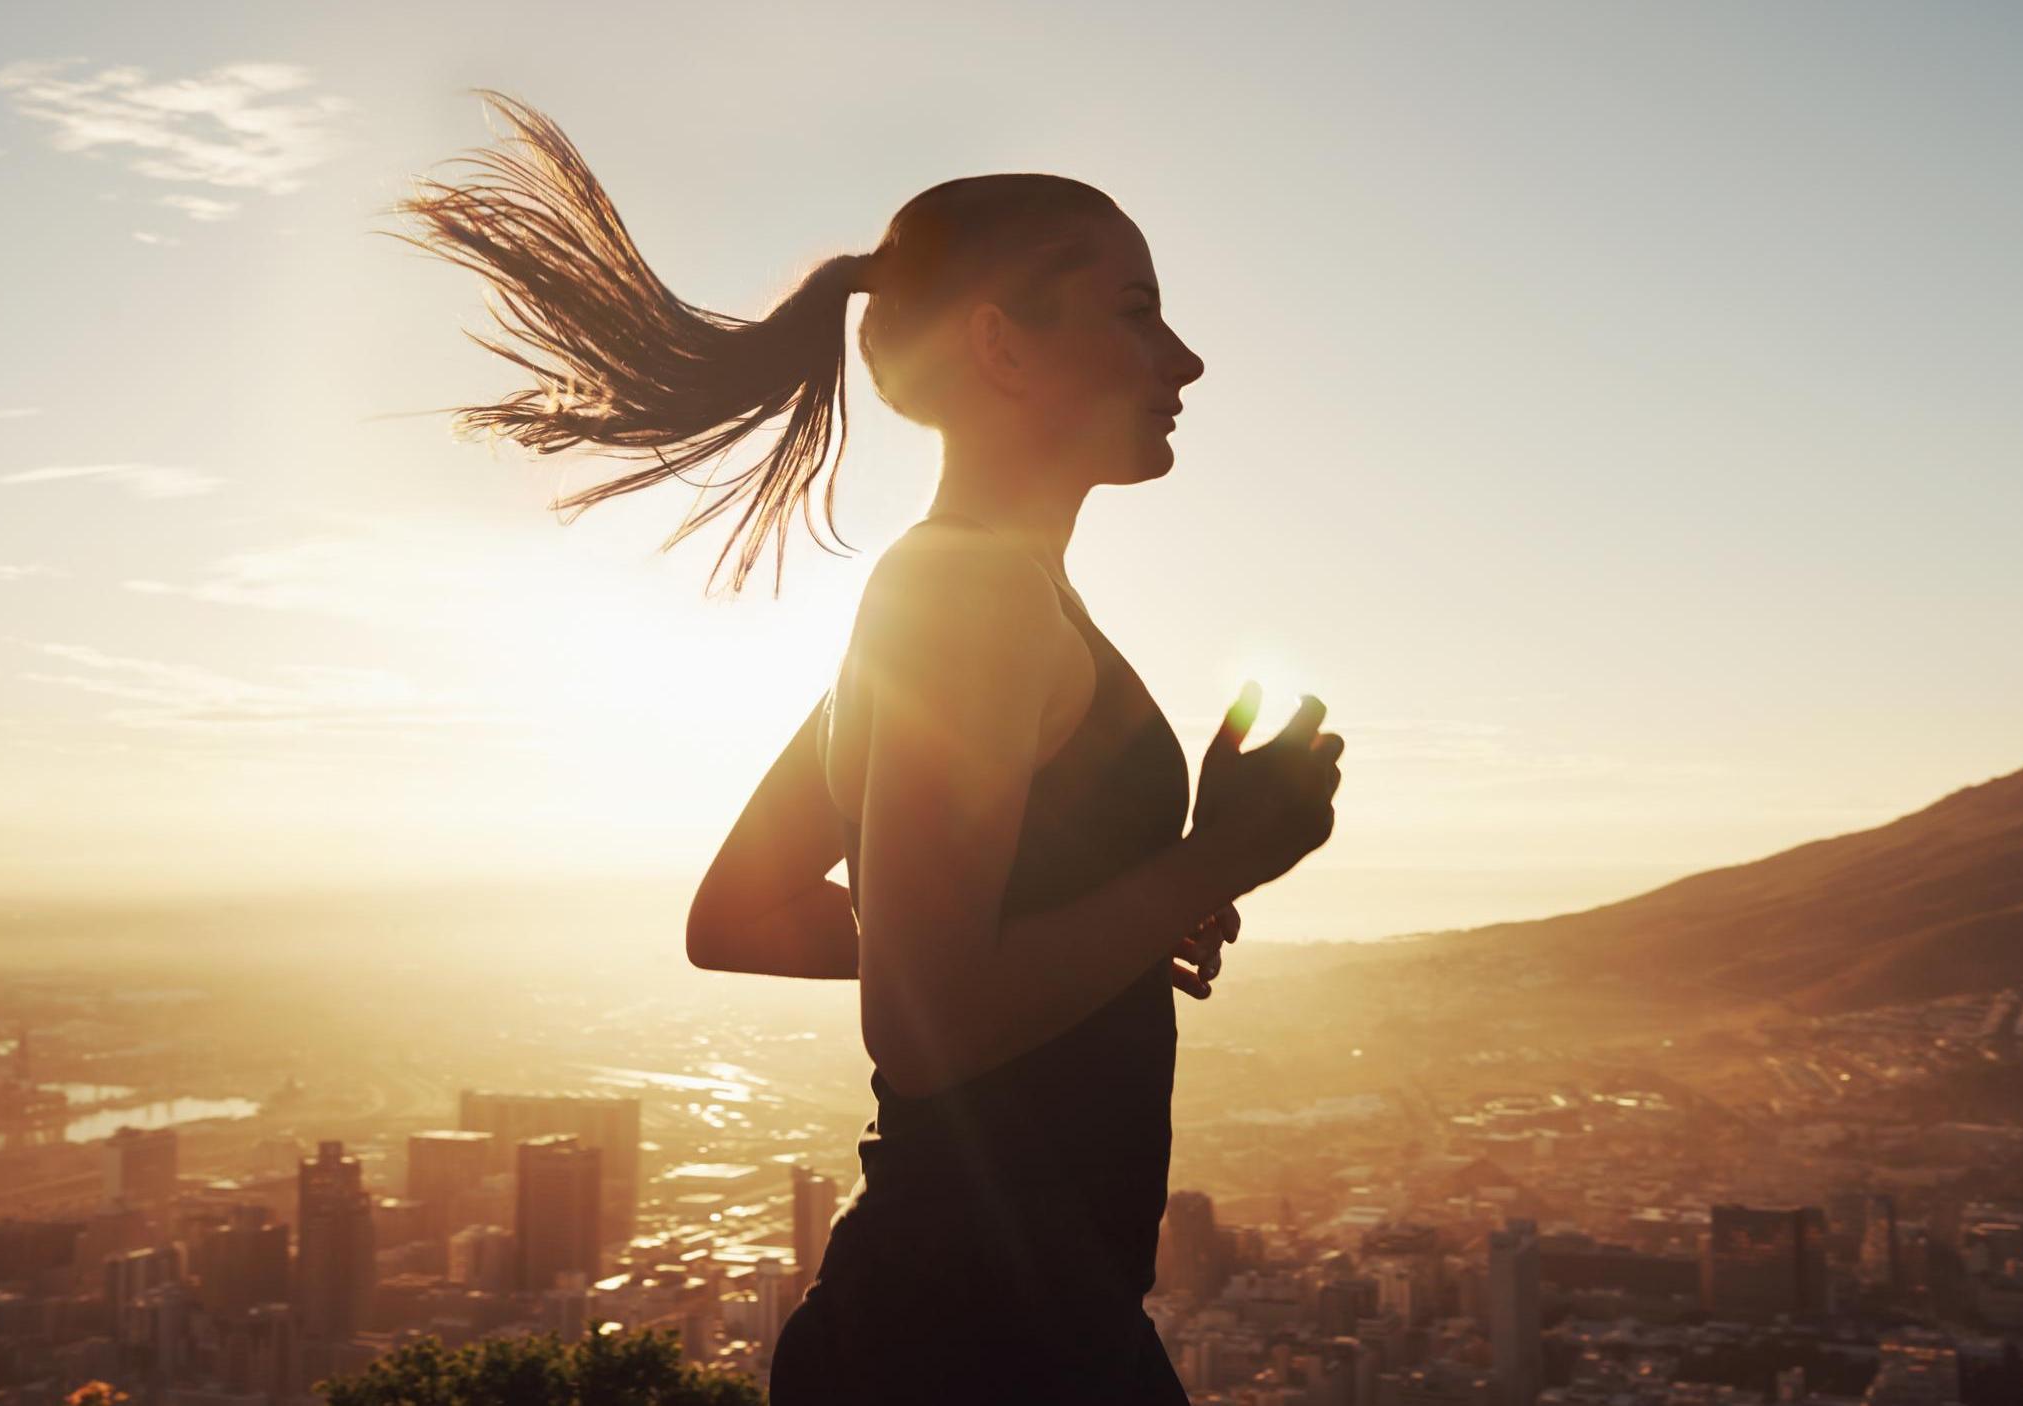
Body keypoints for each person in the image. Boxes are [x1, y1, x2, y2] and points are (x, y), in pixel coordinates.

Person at [399, 93, 1345, 1404]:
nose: (1182, 359)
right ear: (1003, 347)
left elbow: (743, 911)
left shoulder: (954, 595)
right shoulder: (969, 604)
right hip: (983, 1337)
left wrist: (1107, 917)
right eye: (1136, 309)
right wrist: (1214, 859)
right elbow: (924, 1017)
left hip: (973, 1315)